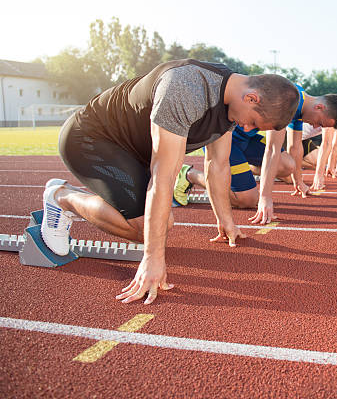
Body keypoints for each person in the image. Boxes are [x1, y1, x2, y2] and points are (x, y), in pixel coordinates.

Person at [41, 59, 299, 304]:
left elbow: (217, 164)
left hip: (134, 151)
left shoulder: (232, 103)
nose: (248, 129)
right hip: (91, 139)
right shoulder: (186, 88)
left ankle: (71, 198)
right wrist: (152, 258)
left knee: (162, 225)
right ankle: (62, 197)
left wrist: (225, 221)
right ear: (251, 97)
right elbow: (163, 179)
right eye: (253, 122)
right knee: (146, 230)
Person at [173, 87, 337, 222]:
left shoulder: (301, 102)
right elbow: (271, 150)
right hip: (225, 137)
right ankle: (189, 175)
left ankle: (239, 172)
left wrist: (299, 181)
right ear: (319, 107)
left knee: (289, 165)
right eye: (320, 123)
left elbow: (295, 147)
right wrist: (265, 197)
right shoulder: (287, 100)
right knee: (248, 200)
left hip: (247, 139)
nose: (316, 127)